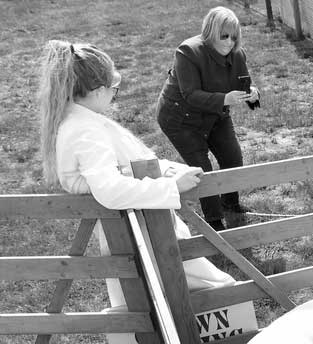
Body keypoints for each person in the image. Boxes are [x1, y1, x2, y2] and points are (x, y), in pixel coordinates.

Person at [38, 40, 236, 310]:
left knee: (151, 301)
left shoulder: (84, 121)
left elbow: (132, 162)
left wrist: (174, 170)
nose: (114, 97)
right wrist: (171, 188)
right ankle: (206, 342)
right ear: (97, 91)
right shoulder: (85, 130)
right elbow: (110, 189)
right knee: (217, 290)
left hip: (140, 223)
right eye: (113, 91)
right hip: (141, 230)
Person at [156, 6, 260, 232]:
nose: (229, 42)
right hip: (181, 119)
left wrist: (252, 93)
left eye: (234, 37)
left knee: (232, 157)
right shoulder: (188, 52)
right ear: (211, 32)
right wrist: (225, 98)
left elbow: (241, 83)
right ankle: (214, 222)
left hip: (215, 114)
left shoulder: (237, 54)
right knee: (202, 169)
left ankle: (230, 203)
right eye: (224, 36)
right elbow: (190, 94)